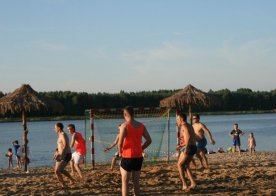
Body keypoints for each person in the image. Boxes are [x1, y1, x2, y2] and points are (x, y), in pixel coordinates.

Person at [118, 106, 152, 196]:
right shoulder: (141, 125)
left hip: (127, 156)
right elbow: (149, 140)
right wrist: (142, 148)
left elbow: (119, 144)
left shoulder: (124, 125)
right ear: (133, 114)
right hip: (138, 156)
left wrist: (120, 153)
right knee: (136, 182)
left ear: (125, 114)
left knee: (125, 182)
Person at [176, 111, 197, 191]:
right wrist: (181, 146)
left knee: (180, 165)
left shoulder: (184, 126)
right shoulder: (189, 125)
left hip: (189, 147)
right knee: (186, 166)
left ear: (181, 119)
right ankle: (193, 183)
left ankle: (184, 184)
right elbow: (191, 137)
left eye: (177, 119)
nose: (177, 121)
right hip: (193, 147)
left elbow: (187, 138)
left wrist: (185, 148)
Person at [54, 122, 74, 188]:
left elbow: (65, 145)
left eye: (55, 128)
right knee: (56, 171)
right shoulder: (59, 135)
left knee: (60, 169)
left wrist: (61, 154)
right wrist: (56, 152)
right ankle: (64, 185)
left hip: (66, 154)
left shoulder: (63, 134)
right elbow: (60, 145)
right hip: (60, 154)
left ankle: (71, 179)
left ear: (59, 128)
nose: (54, 129)